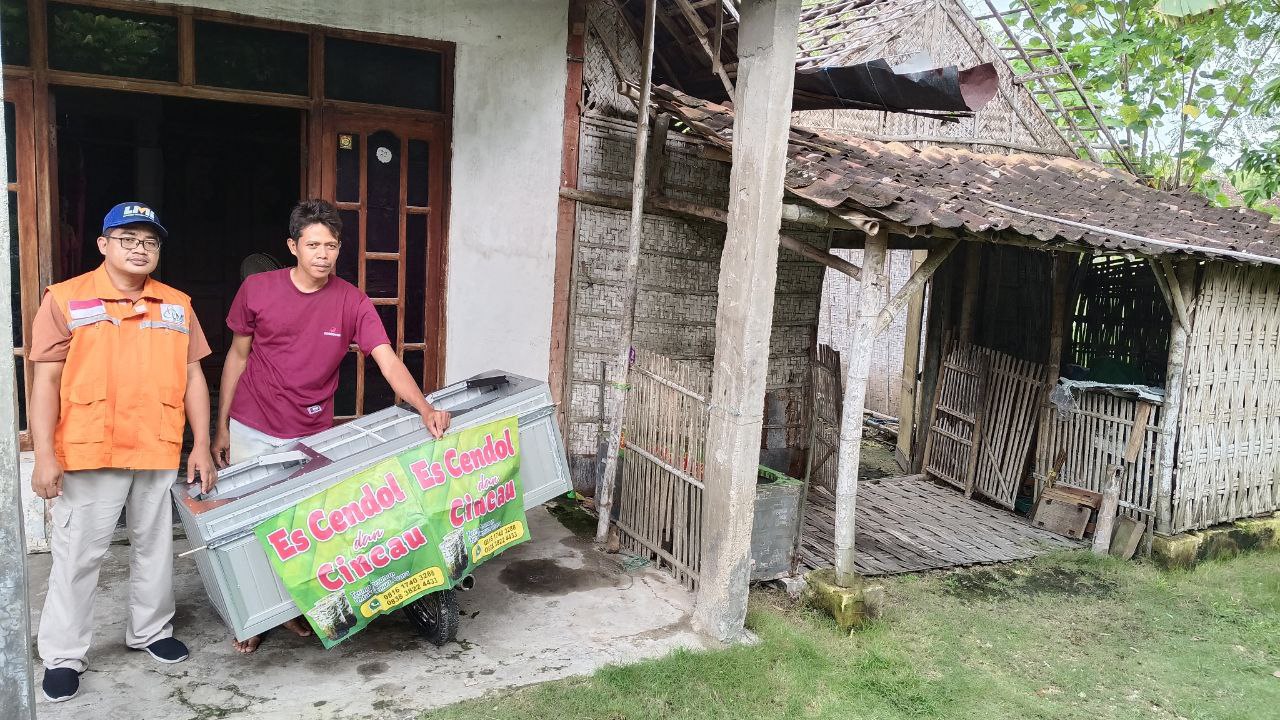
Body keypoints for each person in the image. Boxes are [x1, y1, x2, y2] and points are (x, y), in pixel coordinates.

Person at [212, 198, 451, 652]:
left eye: (331, 246)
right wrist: (220, 427)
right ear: (293, 246)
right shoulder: (257, 290)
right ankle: (254, 618)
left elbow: (387, 360)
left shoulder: (351, 301)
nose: (323, 255)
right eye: (313, 245)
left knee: (301, 526)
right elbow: (237, 358)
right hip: (253, 423)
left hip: (311, 433)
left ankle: (291, 608)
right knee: (250, 523)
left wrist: (425, 407)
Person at [29, 202, 217, 702]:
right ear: (103, 244)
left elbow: (194, 376)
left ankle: (151, 631)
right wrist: (44, 455)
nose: (140, 248)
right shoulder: (66, 298)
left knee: (155, 546)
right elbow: (45, 381)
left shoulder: (177, 304)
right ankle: (63, 654)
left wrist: (200, 444)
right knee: (78, 554)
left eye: (149, 241)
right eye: (128, 238)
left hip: (156, 446)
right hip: (91, 449)